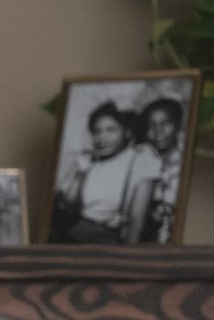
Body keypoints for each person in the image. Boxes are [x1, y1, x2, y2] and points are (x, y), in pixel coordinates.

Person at [51, 102, 158, 244]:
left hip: (104, 237)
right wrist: (80, 175)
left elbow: (137, 221)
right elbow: (69, 206)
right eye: (97, 131)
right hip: (72, 229)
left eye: (111, 130)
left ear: (127, 132)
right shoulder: (89, 160)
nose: (102, 137)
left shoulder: (140, 160)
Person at [137, 96, 184, 244]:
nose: (158, 130)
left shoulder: (184, 158)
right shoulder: (142, 157)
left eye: (165, 123)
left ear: (177, 125)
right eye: (151, 125)